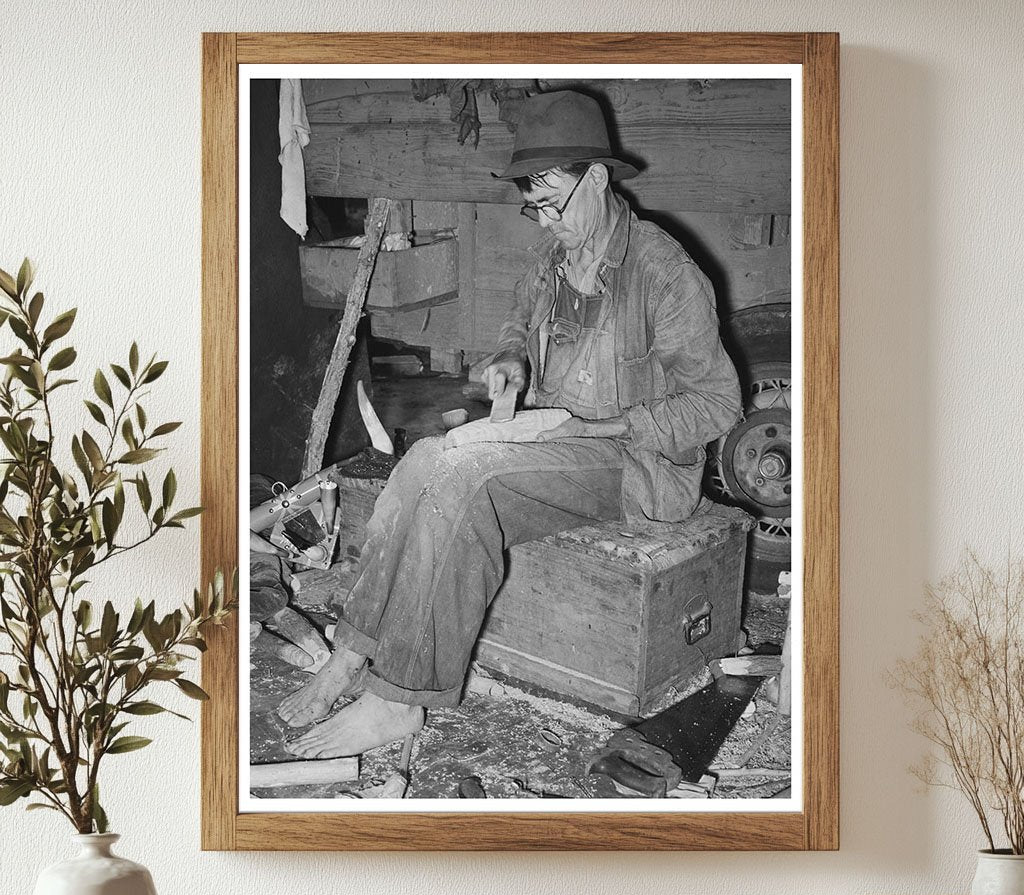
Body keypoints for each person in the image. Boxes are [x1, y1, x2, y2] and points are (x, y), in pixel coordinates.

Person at [279, 90, 742, 758]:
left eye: (554, 201)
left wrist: (607, 426)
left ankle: (398, 702)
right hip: (551, 442)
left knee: (467, 477)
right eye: (535, 205)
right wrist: (509, 367)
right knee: (422, 462)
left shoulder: (664, 273)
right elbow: (513, 331)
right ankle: (354, 654)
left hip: (631, 463)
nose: (546, 220)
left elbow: (717, 405)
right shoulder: (553, 262)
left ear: (600, 179)